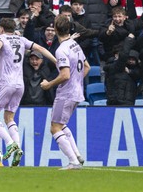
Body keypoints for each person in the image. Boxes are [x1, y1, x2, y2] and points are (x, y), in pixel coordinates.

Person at [0, 18, 56, 167]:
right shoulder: (21, 39)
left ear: (1, 28)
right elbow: (41, 49)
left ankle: (10, 143)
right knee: (9, 117)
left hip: (6, 82)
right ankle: (17, 147)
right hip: (20, 85)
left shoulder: (1, 38)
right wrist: (56, 61)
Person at [40, 15, 90, 170]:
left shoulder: (61, 50)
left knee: (55, 128)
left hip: (66, 93)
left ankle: (73, 162)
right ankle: (77, 156)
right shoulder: (75, 44)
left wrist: (49, 84)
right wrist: (76, 81)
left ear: (55, 29)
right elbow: (87, 66)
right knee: (62, 125)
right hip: (76, 92)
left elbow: (65, 75)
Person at [104, 34, 139, 106]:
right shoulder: (114, 66)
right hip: (118, 101)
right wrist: (129, 39)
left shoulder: (131, 68)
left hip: (127, 100)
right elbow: (123, 56)